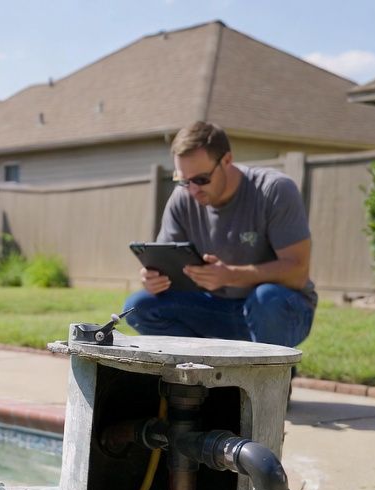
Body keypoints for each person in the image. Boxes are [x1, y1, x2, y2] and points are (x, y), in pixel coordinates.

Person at [122, 122, 316, 348]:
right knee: (140, 306)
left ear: (227, 160)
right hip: (215, 307)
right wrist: (154, 278)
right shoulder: (182, 199)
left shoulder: (274, 190)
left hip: (279, 309)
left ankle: (271, 369)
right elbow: (168, 265)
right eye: (184, 180)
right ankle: (199, 366)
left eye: (201, 179)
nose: (193, 189)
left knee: (267, 298)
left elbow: (298, 272)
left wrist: (230, 275)